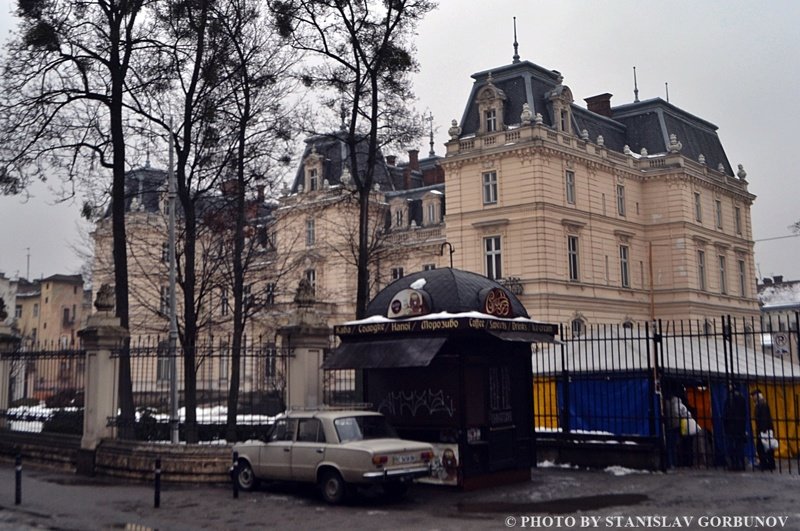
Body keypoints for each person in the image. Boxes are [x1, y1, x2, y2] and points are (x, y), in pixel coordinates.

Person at [722, 384, 747, 471]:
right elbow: (744, 414)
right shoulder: (742, 399)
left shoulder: (729, 399)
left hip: (731, 427)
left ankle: (734, 464)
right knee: (739, 447)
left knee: (732, 447)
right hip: (740, 427)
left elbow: (725, 415)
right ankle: (741, 464)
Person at [752, 390, 776, 471]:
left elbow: (763, 419)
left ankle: (765, 464)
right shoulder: (761, 404)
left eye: (753, 396)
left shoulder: (762, 405)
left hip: (764, 430)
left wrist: (762, 431)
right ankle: (769, 463)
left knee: (763, 447)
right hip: (765, 429)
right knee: (767, 447)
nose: (752, 398)